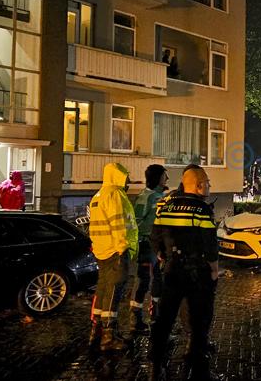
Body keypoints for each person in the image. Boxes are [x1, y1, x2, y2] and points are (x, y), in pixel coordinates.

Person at [150, 166, 219, 381]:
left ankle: (155, 366)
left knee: (164, 319)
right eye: (207, 182)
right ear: (198, 186)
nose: (209, 185)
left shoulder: (166, 207)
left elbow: (154, 237)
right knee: (199, 320)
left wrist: (163, 256)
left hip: (172, 271)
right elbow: (210, 245)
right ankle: (199, 368)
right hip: (197, 273)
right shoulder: (202, 209)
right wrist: (214, 269)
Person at [88, 163, 138, 351]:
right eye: (126, 177)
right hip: (116, 251)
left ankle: (96, 331)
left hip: (102, 251)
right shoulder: (115, 194)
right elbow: (118, 223)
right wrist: (123, 247)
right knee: (113, 292)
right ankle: (108, 337)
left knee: (102, 290)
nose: (128, 181)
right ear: (118, 176)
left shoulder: (98, 196)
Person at [129, 164, 168, 334]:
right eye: (165, 175)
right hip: (146, 245)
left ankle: (156, 316)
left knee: (159, 280)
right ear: (158, 178)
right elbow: (135, 222)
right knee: (143, 280)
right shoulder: (146, 198)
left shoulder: (161, 197)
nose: (167, 179)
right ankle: (135, 318)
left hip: (158, 245)